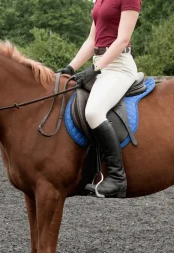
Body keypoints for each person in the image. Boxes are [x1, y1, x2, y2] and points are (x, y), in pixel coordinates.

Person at [57, 0, 141, 198]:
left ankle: (117, 178)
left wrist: (95, 68)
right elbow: (91, 41)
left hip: (119, 67)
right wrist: (71, 68)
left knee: (94, 111)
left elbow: (122, 40)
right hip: (101, 65)